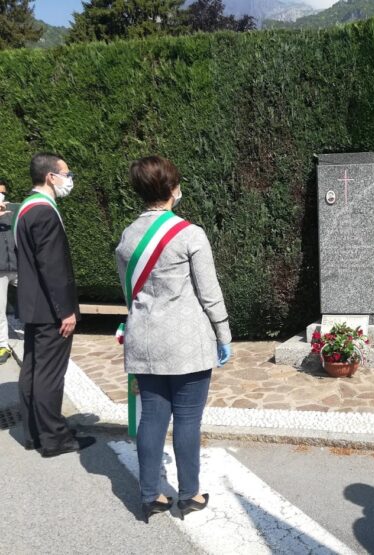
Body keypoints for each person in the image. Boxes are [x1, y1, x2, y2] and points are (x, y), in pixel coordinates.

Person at [115, 156, 232, 523]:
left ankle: (150, 495)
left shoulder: (128, 236)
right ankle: (189, 494)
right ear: (172, 189)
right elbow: (209, 293)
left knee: (152, 417)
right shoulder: (190, 234)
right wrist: (223, 333)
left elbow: (128, 292)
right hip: (186, 342)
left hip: (144, 339)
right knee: (187, 420)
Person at [15, 154, 95, 457]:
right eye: (66, 174)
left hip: (33, 304)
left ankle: (34, 433)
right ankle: (54, 439)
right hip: (50, 309)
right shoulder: (44, 212)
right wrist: (66, 311)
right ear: (51, 176)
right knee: (49, 373)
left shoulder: (25, 207)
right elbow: (53, 267)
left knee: (33, 369)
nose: (69, 179)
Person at [0, 177, 16, 363]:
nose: (1, 196)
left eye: (3, 192)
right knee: (0, 310)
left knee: (36, 297)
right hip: (0, 270)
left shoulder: (14, 211)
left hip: (20, 267)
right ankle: (3, 345)